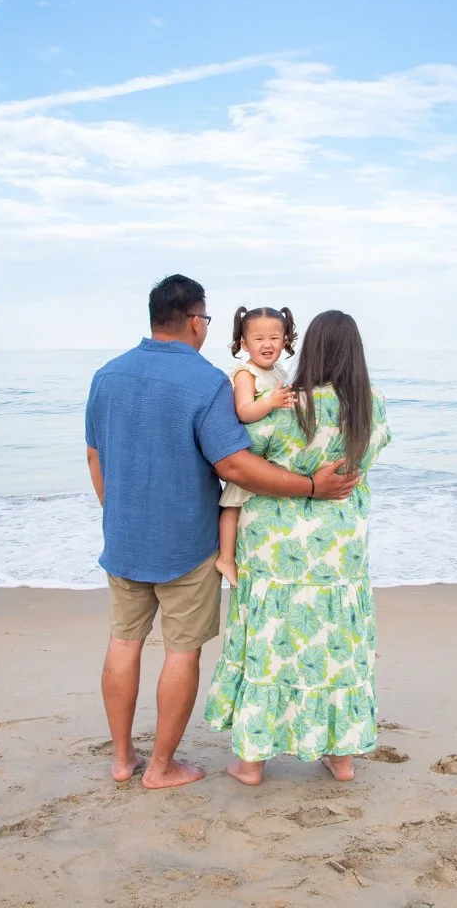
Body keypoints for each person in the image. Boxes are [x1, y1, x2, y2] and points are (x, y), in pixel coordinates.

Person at [85, 276, 360, 790]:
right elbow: (235, 466)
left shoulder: (107, 375)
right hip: (185, 543)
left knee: (123, 643)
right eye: (206, 320)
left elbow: (94, 456)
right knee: (180, 651)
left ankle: (123, 760)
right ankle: (161, 767)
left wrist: (115, 514)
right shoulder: (205, 381)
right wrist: (309, 487)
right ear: (195, 321)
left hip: (123, 538)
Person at [205, 309, 391, 786]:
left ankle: (251, 764)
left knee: (271, 641)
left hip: (275, 547)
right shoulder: (373, 404)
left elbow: (240, 455)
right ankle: (342, 759)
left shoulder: (288, 404)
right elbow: (373, 450)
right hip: (341, 545)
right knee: (337, 643)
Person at [216, 305, 298, 587]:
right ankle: (225, 558)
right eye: (259, 339)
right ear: (244, 343)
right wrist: (270, 402)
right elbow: (244, 410)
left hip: (270, 452)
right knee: (233, 504)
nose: (267, 344)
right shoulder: (245, 373)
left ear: (285, 340)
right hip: (249, 451)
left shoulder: (279, 372)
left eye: (275, 338)